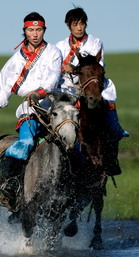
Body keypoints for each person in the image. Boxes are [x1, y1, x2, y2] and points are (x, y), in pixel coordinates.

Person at [0, 12, 62, 200]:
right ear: (25, 31)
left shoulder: (53, 52)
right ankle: (9, 181)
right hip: (30, 111)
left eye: (39, 30)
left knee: (73, 140)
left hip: (53, 108)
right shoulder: (16, 59)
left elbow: (52, 79)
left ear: (44, 30)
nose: (35, 34)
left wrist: (39, 93)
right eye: (31, 30)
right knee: (26, 143)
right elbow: (4, 85)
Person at [56, 7, 129, 176]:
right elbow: (54, 67)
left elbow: (93, 64)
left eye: (82, 23)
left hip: (91, 85)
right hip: (67, 87)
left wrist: (73, 68)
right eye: (75, 24)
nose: (79, 28)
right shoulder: (59, 46)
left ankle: (112, 152)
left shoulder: (95, 42)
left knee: (108, 108)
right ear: (69, 26)